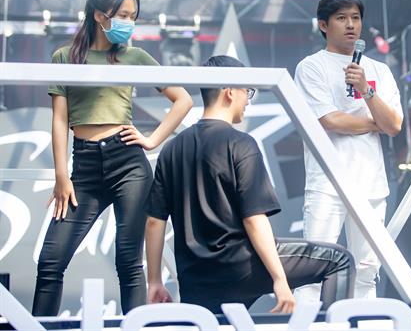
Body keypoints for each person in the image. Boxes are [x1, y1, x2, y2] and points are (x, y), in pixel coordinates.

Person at [145, 55, 355, 314]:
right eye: (248, 92)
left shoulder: (171, 150)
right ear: (230, 92)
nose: (248, 101)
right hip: (241, 267)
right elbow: (254, 220)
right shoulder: (241, 144)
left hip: (196, 280)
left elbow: (154, 222)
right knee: (339, 261)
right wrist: (280, 280)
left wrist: (154, 281)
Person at [33, 0, 193, 316]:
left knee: (128, 262)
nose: (128, 22)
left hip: (128, 165)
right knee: (50, 261)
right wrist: (62, 176)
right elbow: (59, 119)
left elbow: (183, 100)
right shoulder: (65, 57)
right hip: (84, 167)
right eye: (122, 15)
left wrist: (152, 140)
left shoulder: (134, 56)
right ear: (98, 15)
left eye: (133, 16)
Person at [294, 0, 403, 300]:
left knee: (367, 271)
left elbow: (394, 125)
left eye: (355, 18)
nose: (351, 25)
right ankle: (309, 322)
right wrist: (375, 123)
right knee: (314, 268)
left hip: (371, 185)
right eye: (341, 18)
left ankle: (364, 321)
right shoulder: (311, 67)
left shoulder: (379, 71)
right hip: (327, 183)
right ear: (323, 25)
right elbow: (330, 120)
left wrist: (366, 89)